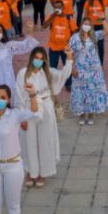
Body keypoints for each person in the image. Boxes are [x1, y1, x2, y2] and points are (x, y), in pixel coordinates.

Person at [16, 46, 71, 187]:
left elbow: (64, 75)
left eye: (41, 59)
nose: (38, 61)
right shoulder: (23, 73)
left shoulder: (49, 73)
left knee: (45, 140)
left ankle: (42, 172)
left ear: (45, 60)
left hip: (46, 108)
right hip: (29, 108)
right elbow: (19, 96)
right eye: (36, 58)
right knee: (29, 140)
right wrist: (21, 117)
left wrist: (69, 59)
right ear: (31, 58)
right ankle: (31, 171)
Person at [0, 82, 41, 214]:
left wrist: (32, 95)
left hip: (13, 166)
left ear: (8, 100)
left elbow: (33, 112)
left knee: (13, 205)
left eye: (2, 97)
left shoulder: (15, 115)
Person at [68, 17, 108, 126]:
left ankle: (91, 115)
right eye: (84, 23)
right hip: (79, 70)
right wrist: (72, 68)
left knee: (92, 92)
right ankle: (81, 115)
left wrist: (103, 19)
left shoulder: (94, 36)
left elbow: (106, 30)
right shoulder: (74, 38)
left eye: (88, 24)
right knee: (80, 92)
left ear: (91, 26)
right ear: (81, 24)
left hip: (94, 71)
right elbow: (70, 54)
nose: (86, 26)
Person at [0, 30, 40, 107]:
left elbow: (25, 46)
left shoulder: (8, 46)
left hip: (7, 81)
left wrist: (30, 30)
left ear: (3, 34)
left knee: (9, 105)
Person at [44, 0, 77, 70]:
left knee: (68, 68)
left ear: (63, 7)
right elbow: (44, 26)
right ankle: (54, 80)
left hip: (66, 48)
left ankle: (68, 81)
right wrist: (53, 15)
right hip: (53, 47)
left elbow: (74, 31)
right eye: (55, 7)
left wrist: (71, 42)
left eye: (59, 7)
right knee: (52, 69)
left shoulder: (69, 18)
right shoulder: (51, 16)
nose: (57, 9)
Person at [86, 0, 108, 64]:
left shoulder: (103, 1)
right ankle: (91, 62)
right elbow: (86, 16)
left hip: (100, 26)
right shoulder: (88, 2)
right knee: (90, 45)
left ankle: (101, 63)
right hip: (90, 27)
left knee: (100, 47)